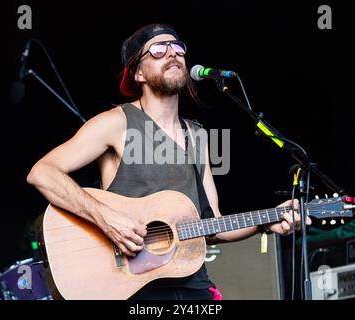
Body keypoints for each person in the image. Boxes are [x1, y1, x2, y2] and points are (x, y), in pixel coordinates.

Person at [26, 23, 311, 300]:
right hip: (135, 291)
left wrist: (268, 220)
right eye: (158, 50)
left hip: (193, 287)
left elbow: (211, 227)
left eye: (177, 47)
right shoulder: (116, 123)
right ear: (138, 72)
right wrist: (106, 218)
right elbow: (42, 172)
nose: (173, 53)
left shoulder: (196, 135)